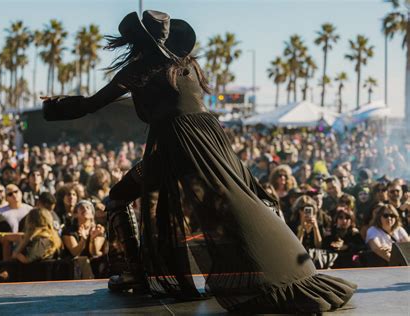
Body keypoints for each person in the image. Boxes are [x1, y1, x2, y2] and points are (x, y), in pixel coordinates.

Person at [42, 10, 356, 313]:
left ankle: (133, 273)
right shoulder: (187, 66)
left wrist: (55, 107)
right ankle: (284, 262)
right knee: (237, 200)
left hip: (173, 147)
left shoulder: (139, 70)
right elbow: (168, 102)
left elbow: (94, 103)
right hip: (212, 143)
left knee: (118, 197)